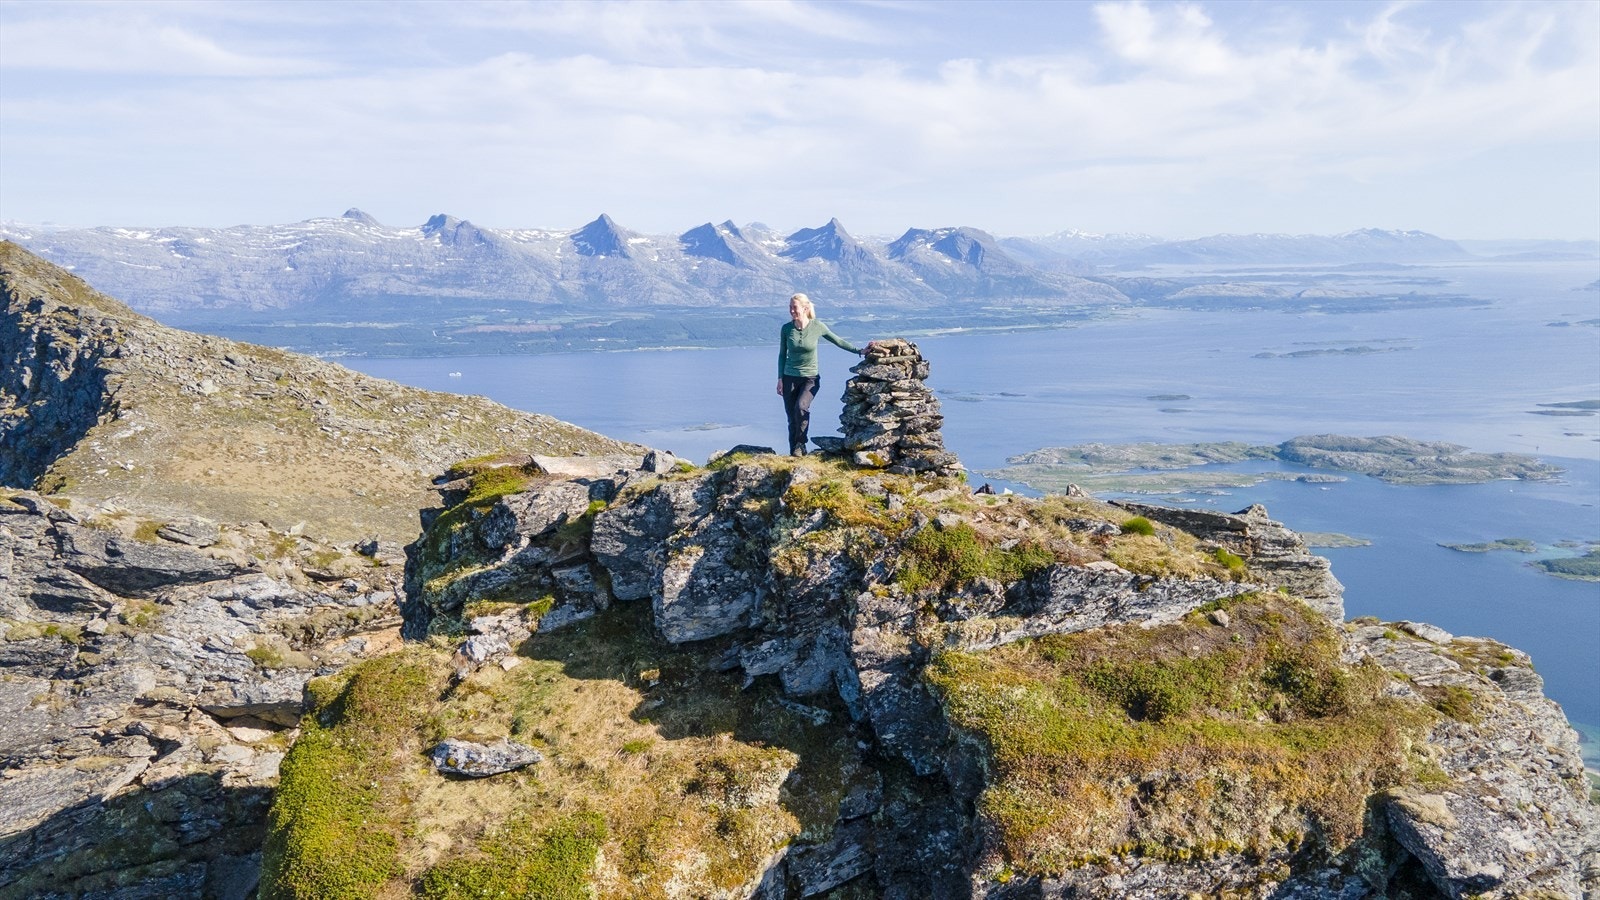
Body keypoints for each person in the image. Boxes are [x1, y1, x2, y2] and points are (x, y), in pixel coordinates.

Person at [776, 293, 869, 456]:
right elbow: (782, 354)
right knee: (792, 417)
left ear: (805, 308)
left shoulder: (817, 326)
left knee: (801, 408)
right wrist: (780, 379)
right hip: (789, 377)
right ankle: (795, 453)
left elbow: (838, 341)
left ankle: (801, 444)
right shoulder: (786, 329)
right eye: (790, 307)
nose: (791, 310)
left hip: (810, 378)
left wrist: (859, 351)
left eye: (794, 307)